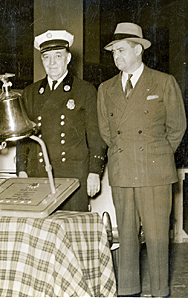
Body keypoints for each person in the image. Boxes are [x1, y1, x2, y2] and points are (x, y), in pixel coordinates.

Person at [97, 22, 186, 297]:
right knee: (126, 237)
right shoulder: (106, 88)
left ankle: (160, 292)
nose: (117, 56)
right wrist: (128, 152)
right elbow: (106, 132)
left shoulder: (163, 82)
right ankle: (128, 290)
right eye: (113, 52)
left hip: (155, 173)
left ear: (138, 50)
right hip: (123, 171)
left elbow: (177, 127)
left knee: (158, 238)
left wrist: (155, 154)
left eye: (121, 50)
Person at [16, 30, 107, 212]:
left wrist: (94, 171)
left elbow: (96, 135)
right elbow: (23, 137)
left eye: (58, 56)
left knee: (73, 229)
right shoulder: (31, 93)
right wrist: (21, 169)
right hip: (38, 173)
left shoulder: (85, 90)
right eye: (46, 57)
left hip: (73, 175)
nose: (52, 63)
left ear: (68, 58)